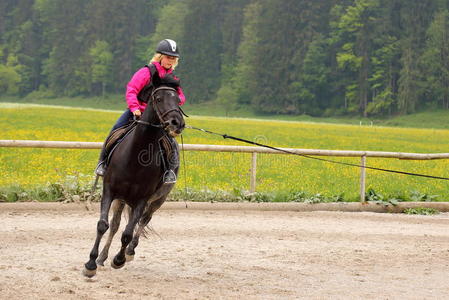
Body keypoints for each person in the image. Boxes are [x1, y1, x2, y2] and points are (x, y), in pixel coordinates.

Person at [95, 39, 186, 184]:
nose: (171, 61)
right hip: (137, 112)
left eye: (174, 58)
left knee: (171, 142)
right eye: (169, 57)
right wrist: (135, 108)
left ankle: (169, 171)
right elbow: (132, 89)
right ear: (160, 56)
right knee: (115, 129)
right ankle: (103, 163)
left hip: (158, 118)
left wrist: (174, 101)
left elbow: (181, 96)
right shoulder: (145, 72)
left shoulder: (172, 78)